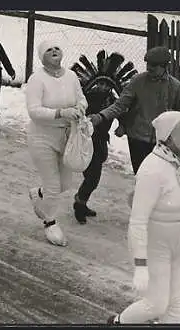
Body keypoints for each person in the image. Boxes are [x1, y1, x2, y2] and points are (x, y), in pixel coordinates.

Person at [107, 111, 180, 324]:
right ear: (167, 136)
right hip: (156, 245)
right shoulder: (153, 169)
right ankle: (117, 323)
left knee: (176, 305)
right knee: (156, 304)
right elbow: (137, 222)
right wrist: (140, 265)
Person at [88, 46, 180, 176]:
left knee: (160, 177)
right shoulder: (137, 81)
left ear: (164, 66)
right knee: (142, 175)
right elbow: (120, 105)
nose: (148, 68)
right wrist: (100, 116)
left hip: (162, 140)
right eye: (148, 64)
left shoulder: (174, 86)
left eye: (153, 65)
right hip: (137, 138)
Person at [25, 40, 88, 246]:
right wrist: (60, 113)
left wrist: (80, 108)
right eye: (48, 50)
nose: (53, 52)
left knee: (64, 184)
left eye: (57, 48)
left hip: (67, 136)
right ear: (42, 56)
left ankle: (39, 194)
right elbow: (34, 111)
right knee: (53, 185)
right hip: (42, 137)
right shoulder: (37, 79)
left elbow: (82, 99)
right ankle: (50, 222)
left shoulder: (71, 76)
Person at [71, 51, 137, 223]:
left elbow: (120, 111)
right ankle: (79, 202)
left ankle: (82, 199)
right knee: (92, 176)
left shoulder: (112, 99)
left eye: (106, 86)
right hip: (85, 139)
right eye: (100, 85)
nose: (103, 88)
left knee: (93, 175)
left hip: (100, 141)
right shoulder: (86, 97)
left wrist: (122, 125)